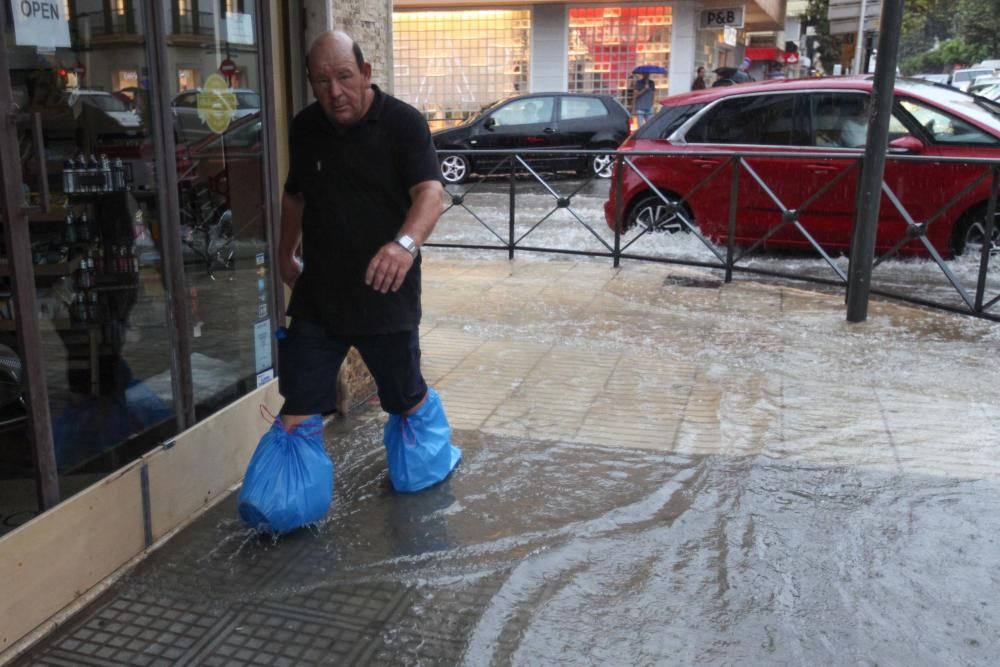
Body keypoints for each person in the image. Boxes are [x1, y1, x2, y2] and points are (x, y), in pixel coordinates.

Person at [276, 31, 460, 493]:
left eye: (343, 77)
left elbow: (431, 194)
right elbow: (294, 196)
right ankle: (284, 505)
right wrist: (284, 253)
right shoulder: (305, 128)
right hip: (319, 294)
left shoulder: (403, 124)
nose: (334, 92)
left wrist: (403, 245)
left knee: (404, 399)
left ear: (365, 73)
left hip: (385, 292)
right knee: (299, 402)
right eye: (322, 81)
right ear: (310, 84)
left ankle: (427, 468)